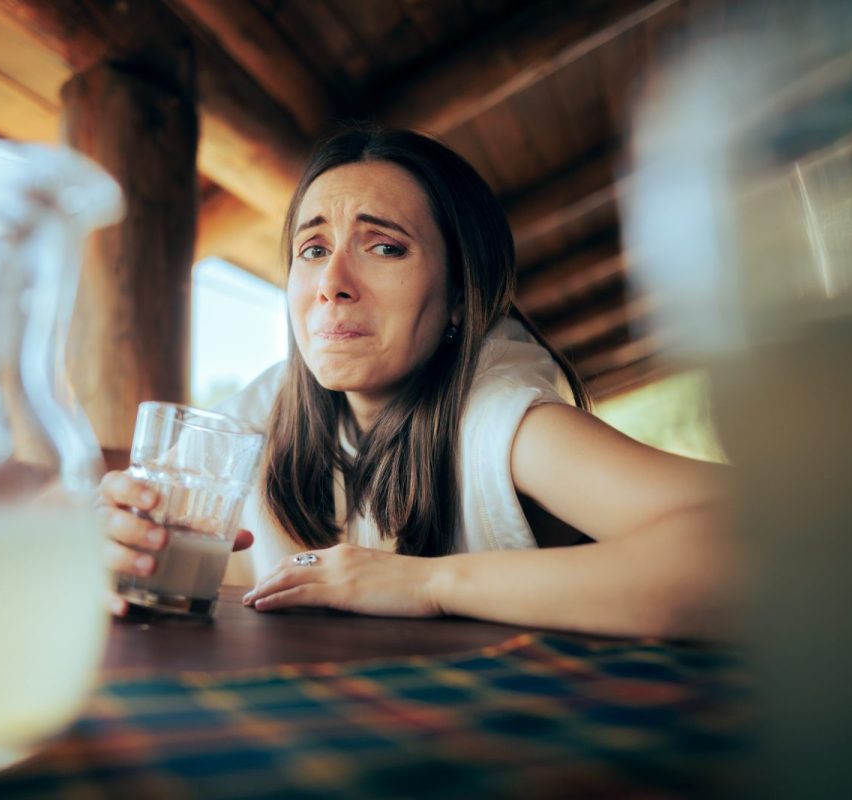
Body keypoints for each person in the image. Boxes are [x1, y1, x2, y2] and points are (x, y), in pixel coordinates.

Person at [99, 128, 736, 640]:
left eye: (385, 248)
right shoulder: (261, 412)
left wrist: (428, 585)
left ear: (461, 295)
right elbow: (105, 535)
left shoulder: (497, 415)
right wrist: (107, 546)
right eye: (313, 250)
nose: (332, 282)